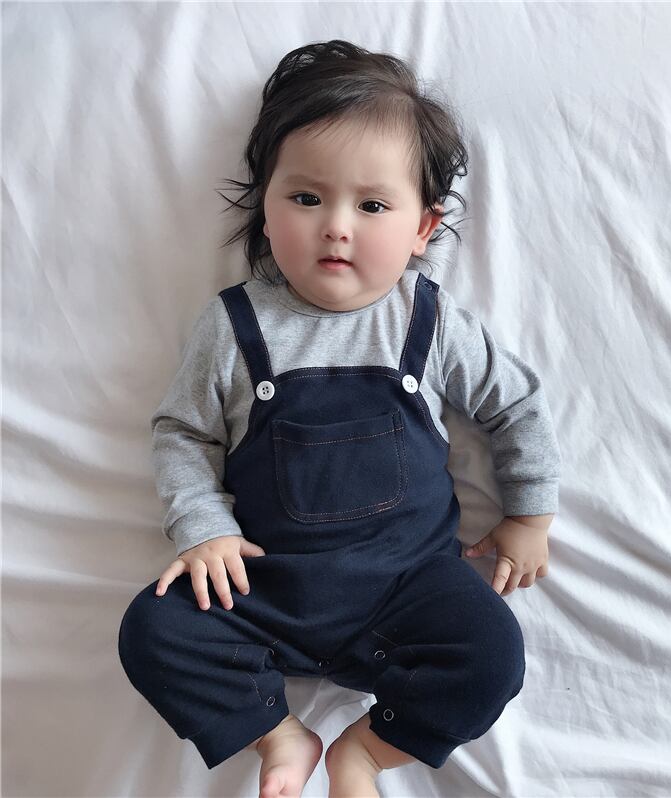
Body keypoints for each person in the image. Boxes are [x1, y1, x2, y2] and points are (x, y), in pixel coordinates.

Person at [118, 39, 561, 798]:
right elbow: (184, 434)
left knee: (491, 653)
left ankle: (366, 752)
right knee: (153, 629)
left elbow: (515, 404)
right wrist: (204, 528)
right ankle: (279, 735)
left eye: (373, 206)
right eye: (306, 198)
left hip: (407, 592)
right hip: (262, 587)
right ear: (266, 207)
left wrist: (530, 513)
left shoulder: (427, 322)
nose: (336, 226)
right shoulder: (234, 326)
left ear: (423, 228)